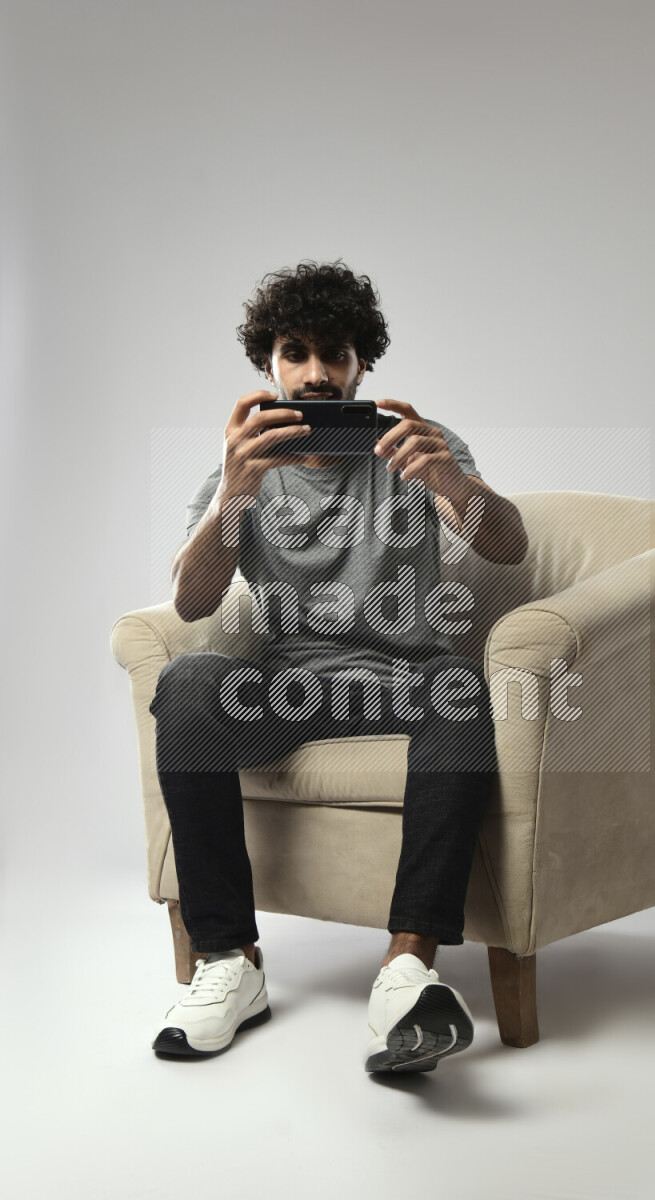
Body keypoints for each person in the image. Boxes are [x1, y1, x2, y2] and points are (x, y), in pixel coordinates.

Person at [149, 260, 528, 1071]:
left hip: (406, 679)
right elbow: (190, 602)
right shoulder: (241, 469)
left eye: (336, 353)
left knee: (462, 688)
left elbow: (507, 547)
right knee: (185, 683)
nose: (317, 372)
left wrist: (451, 481)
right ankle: (229, 962)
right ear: (269, 366)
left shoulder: (416, 445)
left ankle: (407, 970)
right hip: (291, 684)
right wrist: (233, 496)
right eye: (297, 353)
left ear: (362, 365)